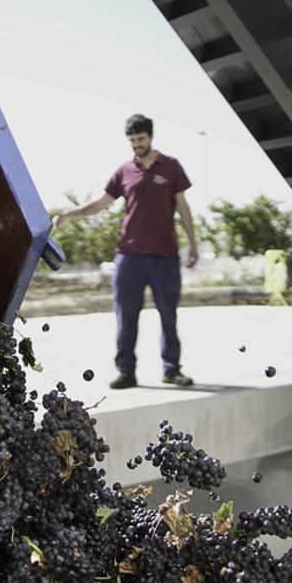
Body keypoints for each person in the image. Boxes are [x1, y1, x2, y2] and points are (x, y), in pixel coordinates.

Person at [52, 114, 198, 389]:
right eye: (132, 141)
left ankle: (172, 369)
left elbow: (183, 208)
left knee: (169, 315)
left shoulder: (171, 166)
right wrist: (70, 214)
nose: (136, 145)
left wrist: (193, 244)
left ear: (150, 136)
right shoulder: (124, 171)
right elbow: (99, 205)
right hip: (129, 257)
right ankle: (126, 372)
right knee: (126, 316)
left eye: (140, 139)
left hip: (165, 256)